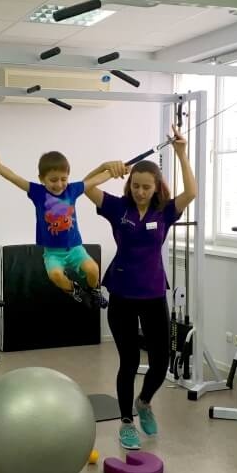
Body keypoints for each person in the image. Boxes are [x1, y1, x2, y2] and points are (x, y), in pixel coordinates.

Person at [84, 126, 197, 450]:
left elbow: (191, 192)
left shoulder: (165, 211)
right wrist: (106, 167)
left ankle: (144, 402)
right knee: (129, 361)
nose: (140, 192)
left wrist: (181, 153)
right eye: (135, 186)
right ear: (129, 184)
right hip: (121, 292)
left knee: (161, 362)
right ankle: (126, 421)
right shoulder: (118, 208)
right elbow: (84, 187)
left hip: (153, 293)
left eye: (146, 187)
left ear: (156, 187)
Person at [0, 151, 124, 307]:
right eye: (53, 180)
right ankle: (75, 290)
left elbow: (95, 180)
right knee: (55, 275)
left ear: (68, 176)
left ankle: (94, 292)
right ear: (42, 179)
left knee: (93, 269)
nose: (59, 184)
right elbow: (13, 177)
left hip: (75, 248)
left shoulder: (72, 190)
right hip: (53, 252)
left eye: (63, 179)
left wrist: (115, 171)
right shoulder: (37, 192)